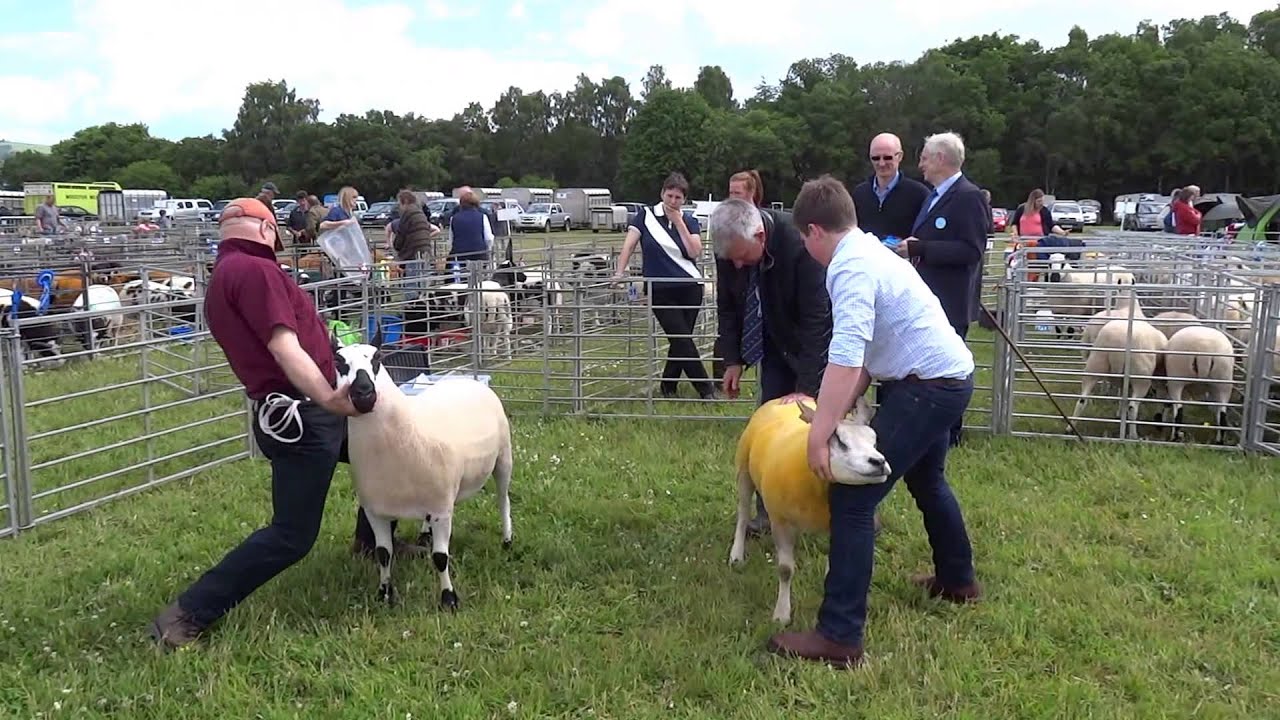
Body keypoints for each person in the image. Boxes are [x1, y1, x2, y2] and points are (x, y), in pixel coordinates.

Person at [148, 199, 419, 650]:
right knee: (292, 534)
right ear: (266, 230)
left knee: (389, 449)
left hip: (290, 411)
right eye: (275, 231)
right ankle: (185, 616)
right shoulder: (257, 273)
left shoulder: (225, 277)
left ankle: (372, 538)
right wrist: (329, 396)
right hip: (306, 414)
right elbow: (283, 346)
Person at [765, 175, 981, 669]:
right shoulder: (868, 251)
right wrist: (832, 411)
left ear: (815, 231)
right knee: (928, 480)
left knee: (854, 498)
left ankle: (840, 636)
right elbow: (862, 360)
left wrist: (820, 434)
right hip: (942, 377)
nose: (804, 246)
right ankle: (958, 580)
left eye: (803, 238)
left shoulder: (849, 268)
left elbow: (844, 356)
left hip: (929, 386)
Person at [895, 131, 987, 447]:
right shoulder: (935, 196)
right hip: (931, 299)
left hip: (951, 301)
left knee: (948, 369)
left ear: (940, 159)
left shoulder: (967, 196)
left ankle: (950, 434)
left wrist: (921, 248)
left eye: (924, 157)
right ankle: (932, 429)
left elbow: (971, 250)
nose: (919, 164)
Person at [613, 172, 717, 400]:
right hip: (659, 288)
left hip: (690, 286)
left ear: (684, 199)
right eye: (669, 195)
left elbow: (694, 252)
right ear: (662, 194)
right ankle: (706, 389)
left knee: (681, 339)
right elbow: (629, 246)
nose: (672, 201)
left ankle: (668, 386)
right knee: (680, 337)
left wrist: (679, 222)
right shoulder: (644, 216)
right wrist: (620, 272)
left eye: (678, 198)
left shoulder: (689, 220)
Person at [850, 132, 931, 242]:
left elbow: (927, 235)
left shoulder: (919, 194)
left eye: (887, 158)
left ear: (900, 156)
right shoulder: (859, 194)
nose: (882, 163)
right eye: (876, 158)